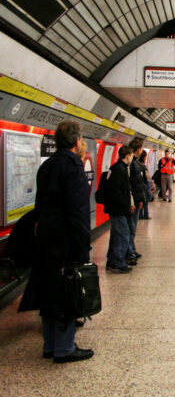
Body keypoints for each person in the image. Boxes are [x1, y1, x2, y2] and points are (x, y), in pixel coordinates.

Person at [18, 120, 93, 363]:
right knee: (67, 291)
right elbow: (78, 213)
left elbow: (38, 206)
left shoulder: (47, 165)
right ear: (76, 141)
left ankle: (50, 345)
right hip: (65, 239)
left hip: (46, 237)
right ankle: (64, 348)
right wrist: (83, 248)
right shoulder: (74, 168)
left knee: (49, 290)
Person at [104, 146, 136, 273]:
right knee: (123, 235)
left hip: (118, 208)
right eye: (131, 156)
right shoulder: (119, 170)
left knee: (117, 235)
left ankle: (112, 260)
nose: (132, 158)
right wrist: (126, 205)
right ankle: (117, 261)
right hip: (118, 209)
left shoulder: (118, 168)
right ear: (127, 156)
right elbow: (116, 192)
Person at [126, 138, 146, 260]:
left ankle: (132, 249)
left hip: (136, 199)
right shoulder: (132, 165)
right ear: (138, 150)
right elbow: (133, 185)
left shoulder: (134, 163)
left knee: (132, 227)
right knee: (131, 227)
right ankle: (129, 251)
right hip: (133, 200)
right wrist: (136, 201)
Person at [138, 150, 152, 220]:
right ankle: (146, 215)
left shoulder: (136, 164)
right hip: (144, 186)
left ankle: (140, 215)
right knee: (145, 201)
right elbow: (147, 178)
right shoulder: (143, 166)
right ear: (144, 157)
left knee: (141, 201)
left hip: (139, 186)